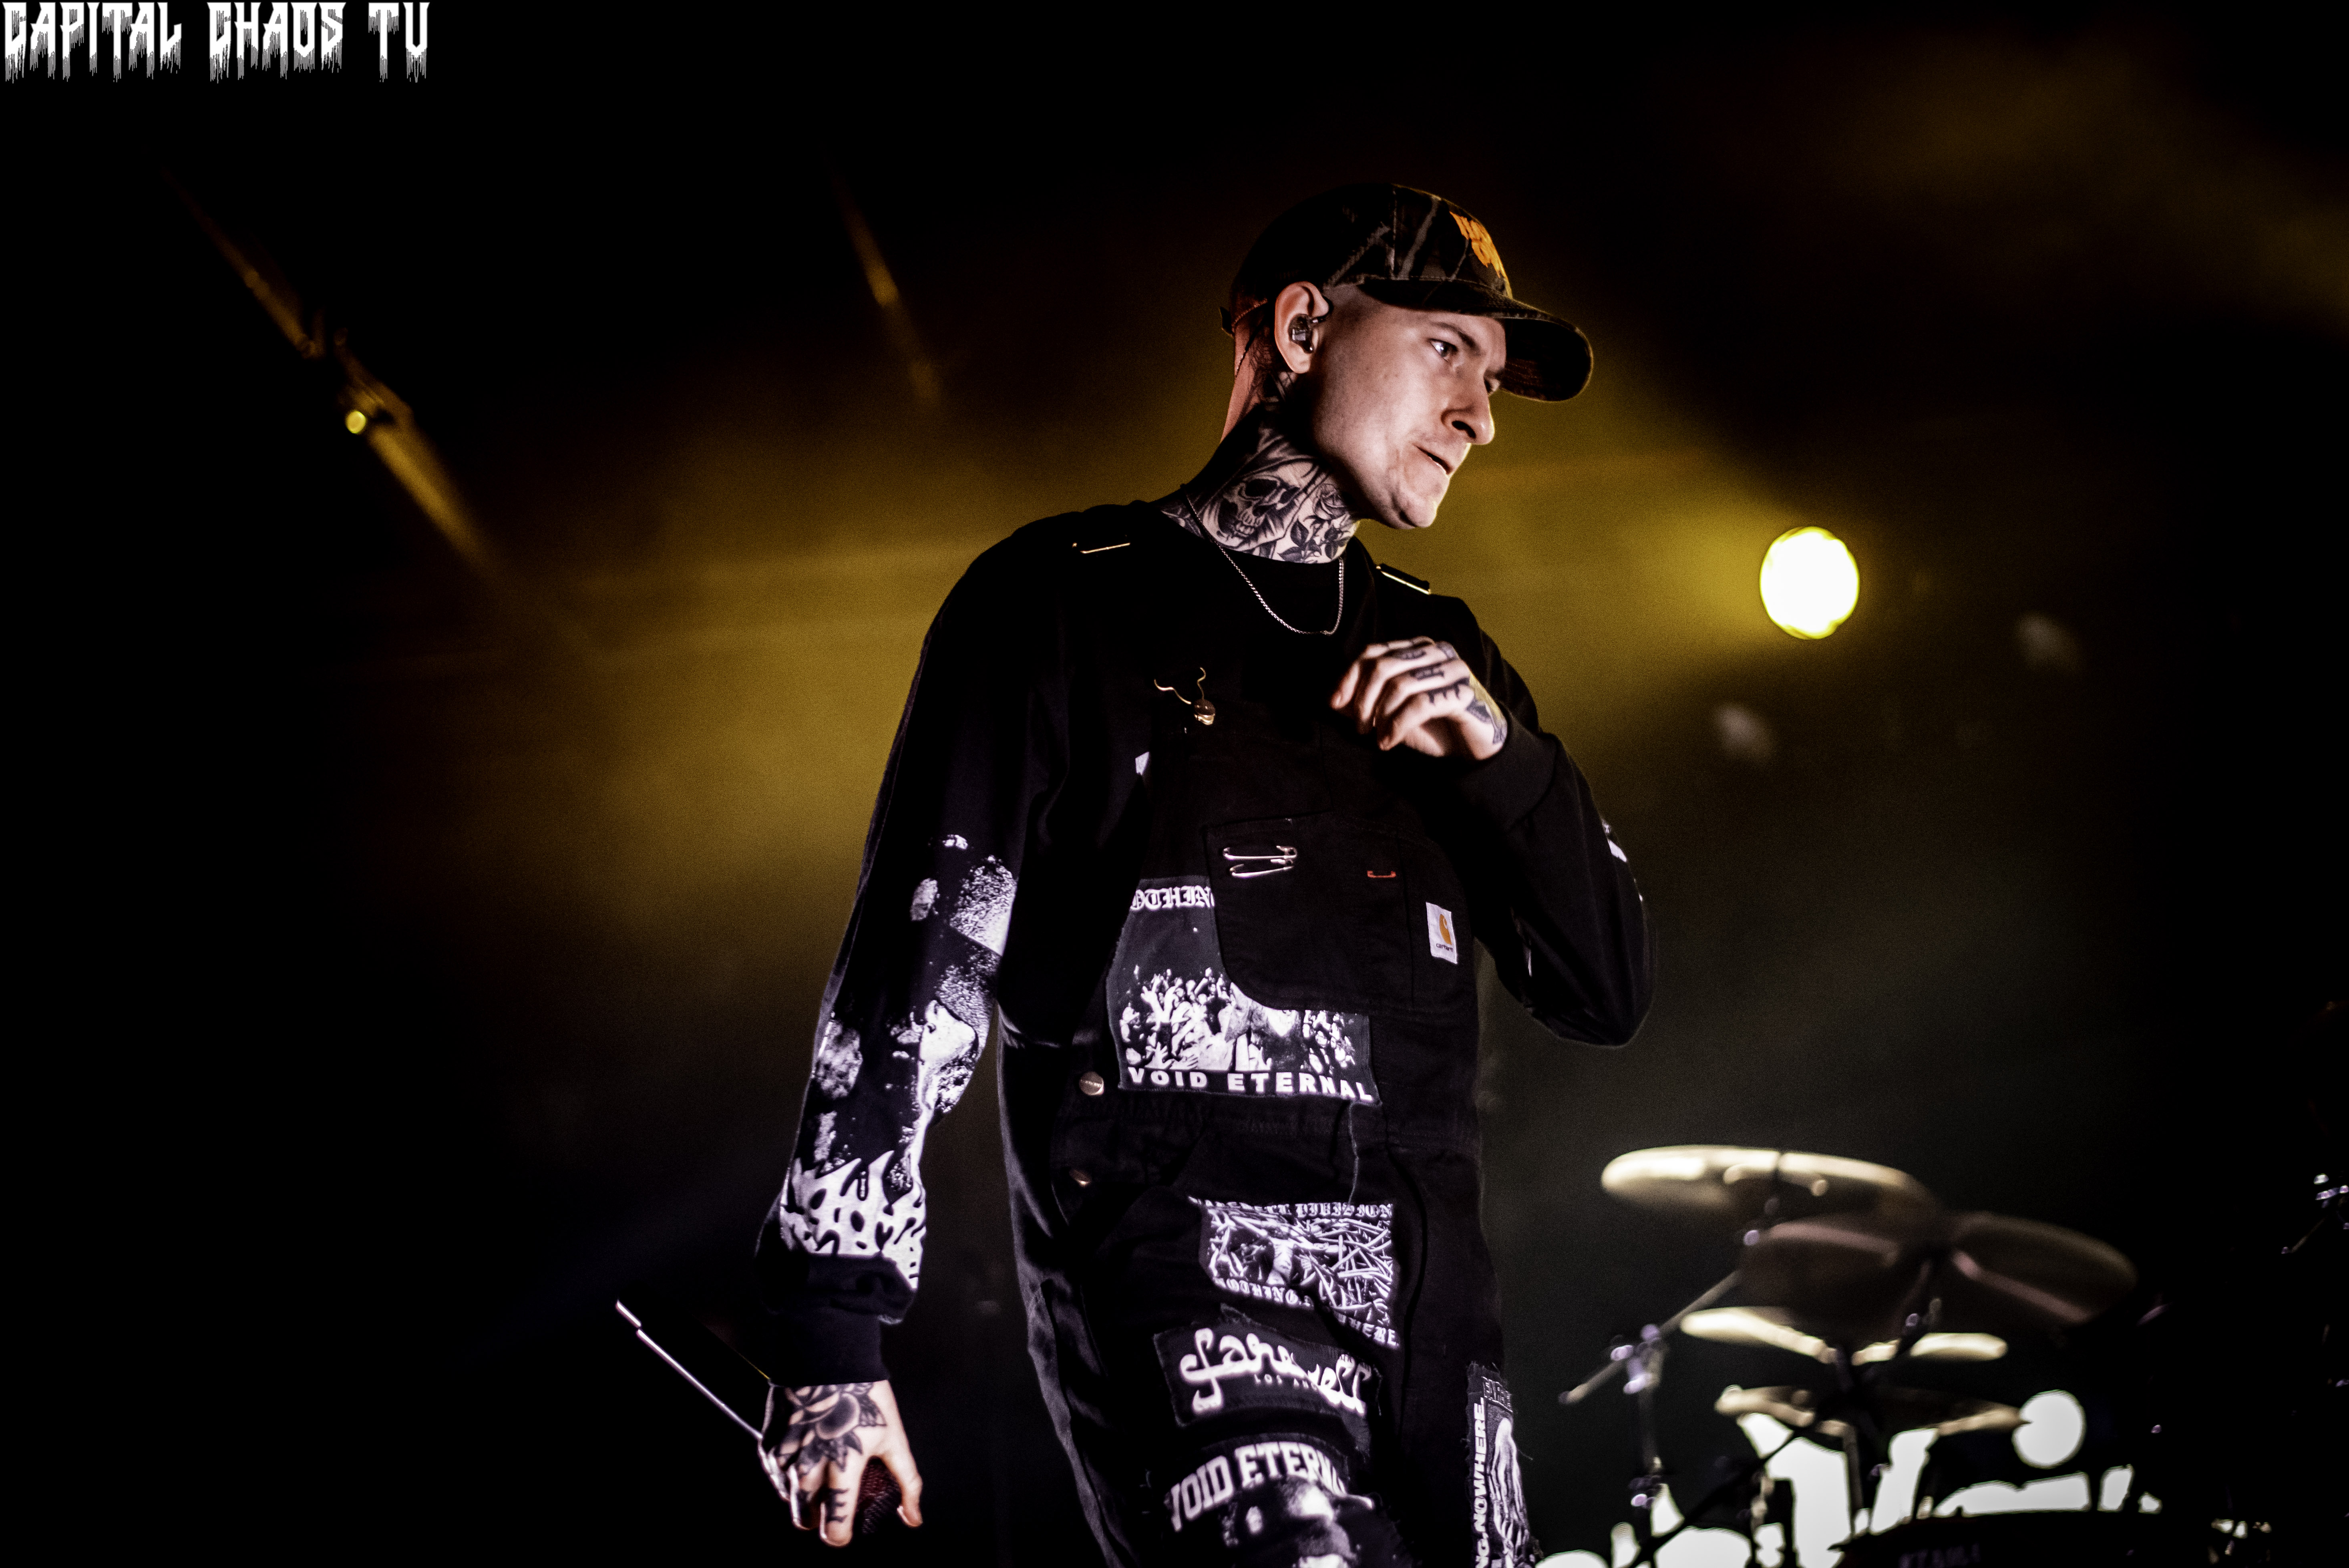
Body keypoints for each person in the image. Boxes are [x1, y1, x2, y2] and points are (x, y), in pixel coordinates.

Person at [751, 183, 1653, 1566]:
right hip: (1190, 1299)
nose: (1479, 414)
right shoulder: (1061, 599)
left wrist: (1501, 759)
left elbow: (1605, 989)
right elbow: (914, 971)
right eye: (1445, 350)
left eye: (1493, 377)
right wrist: (829, 1334)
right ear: (1300, 328)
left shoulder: (1446, 652)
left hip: (1440, 1347)